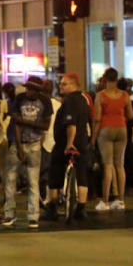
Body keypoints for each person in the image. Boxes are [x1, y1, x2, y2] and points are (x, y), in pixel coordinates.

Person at [3, 77, 52, 229]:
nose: (27, 91)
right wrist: (18, 146)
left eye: (31, 89)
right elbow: (16, 125)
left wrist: (25, 122)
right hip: (19, 143)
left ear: (37, 90)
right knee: (10, 180)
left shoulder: (45, 101)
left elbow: (46, 126)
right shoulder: (19, 99)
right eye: (27, 88)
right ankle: (9, 214)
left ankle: (33, 216)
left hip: (35, 144)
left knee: (33, 181)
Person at [42, 73, 92, 221]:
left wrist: (69, 143)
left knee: (55, 171)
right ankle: (81, 208)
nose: (61, 86)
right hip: (83, 142)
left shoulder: (70, 101)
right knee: (82, 174)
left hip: (67, 144)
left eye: (64, 84)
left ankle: (52, 207)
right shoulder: (84, 99)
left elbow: (71, 123)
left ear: (73, 84)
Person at [92, 68, 133, 211]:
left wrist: (93, 138)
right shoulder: (124, 95)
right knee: (120, 165)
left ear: (105, 80)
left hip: (106, 130)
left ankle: (105, 201)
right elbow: (131, 115)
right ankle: (121, 201)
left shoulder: (100, 96)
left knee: (108, 165)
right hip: (122, 129)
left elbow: (97, 119)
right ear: (117, 79)